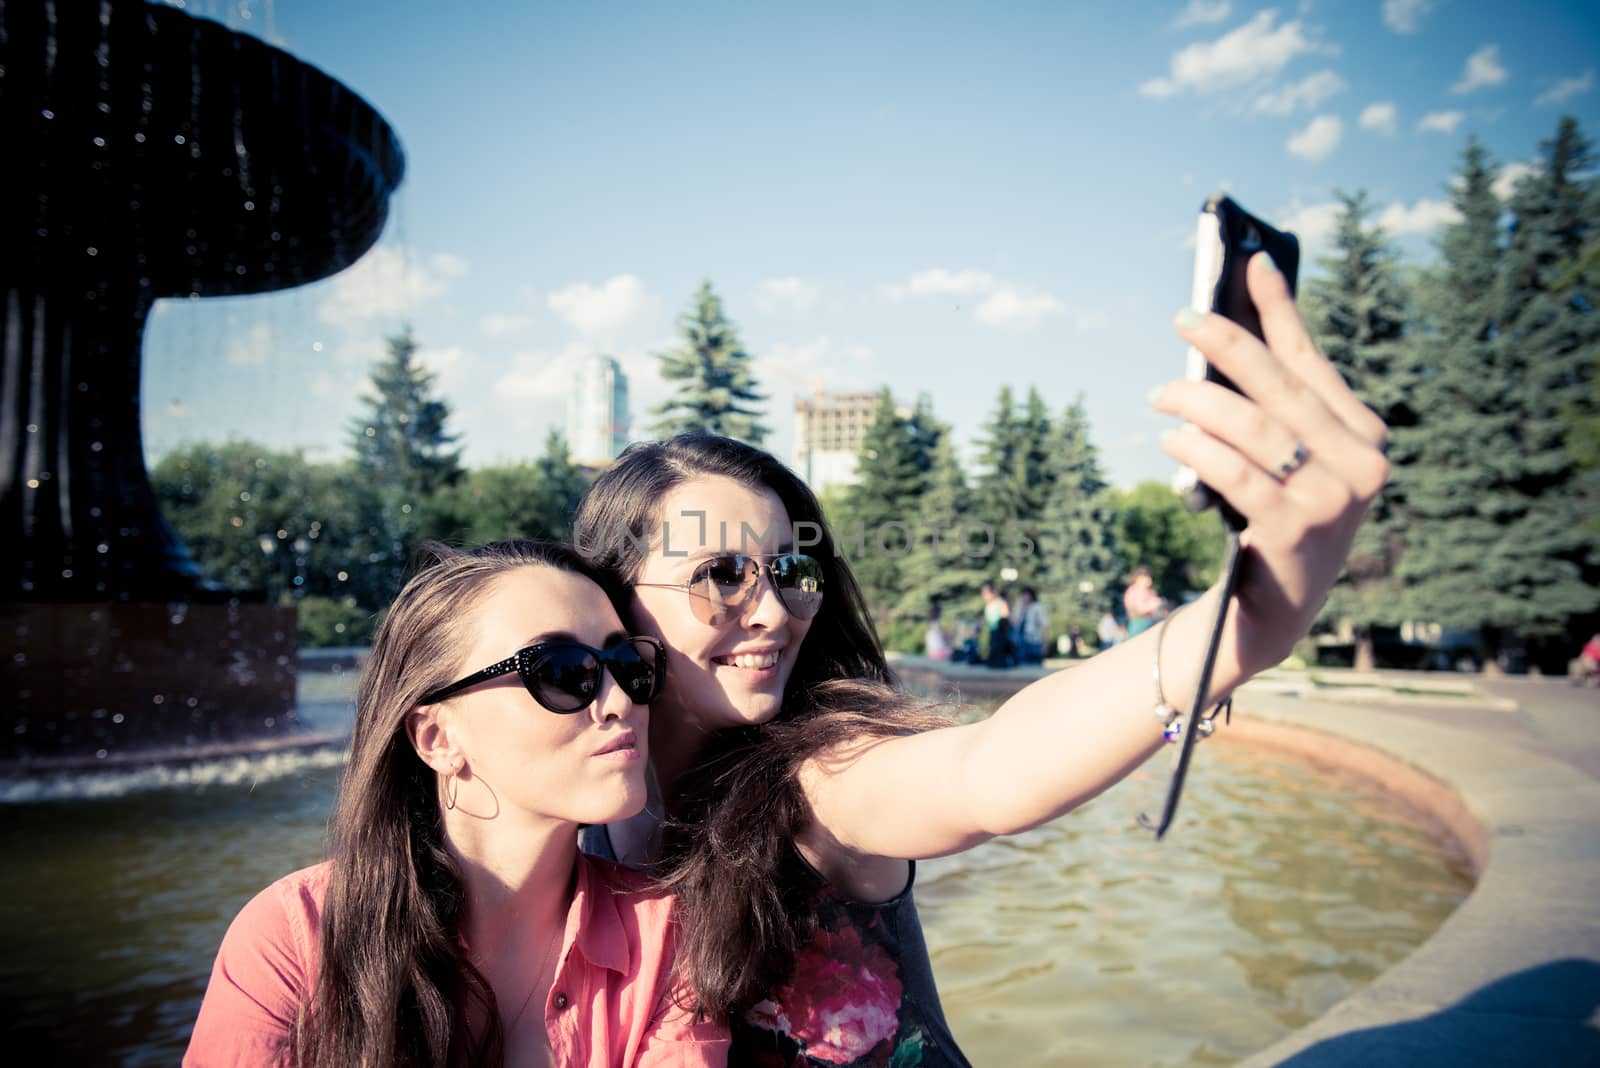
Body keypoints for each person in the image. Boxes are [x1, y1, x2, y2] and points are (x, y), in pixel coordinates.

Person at [571, 252, 1388, 1067]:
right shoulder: (590, 794)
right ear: (613, 600)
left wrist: (1247, 625)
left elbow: (991, 769)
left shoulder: (818, 781)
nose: (776, 611)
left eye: (792, 571)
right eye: (721, 575)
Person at [185, 540, 729, 1068]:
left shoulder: (670, 937)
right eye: (562, 671)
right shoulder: (296, 939)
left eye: (627, 664)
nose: (621, 701)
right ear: (437, 739)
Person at [1122, 565, 1164, 637]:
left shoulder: (1150, 592)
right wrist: (1152, 605)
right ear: (1139, 578)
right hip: (1139, 624)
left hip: (1151, 622)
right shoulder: (1134, 591)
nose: (1150, 579)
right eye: (1147, 577)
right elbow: (1138, 609)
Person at [979, 581, 1013, 668]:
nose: (984, 596)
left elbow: (1005, 616)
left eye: (986, 594)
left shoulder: (1000, 603)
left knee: (999, 653)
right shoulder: (988, 606)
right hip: (993, 632)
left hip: (1000, 633)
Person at [1014, 587, 1047, 664]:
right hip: (1021, 641)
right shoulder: (1019, 606)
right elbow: (1015, 623)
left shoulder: (1038, 607)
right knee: (1022, 666)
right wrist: (1021, 609)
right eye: (1023, 596)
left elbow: (1045, 625)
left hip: (1035, 641)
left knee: (1035, 665)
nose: (1024, 598)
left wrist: (1045, 643)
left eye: (1026, 595)